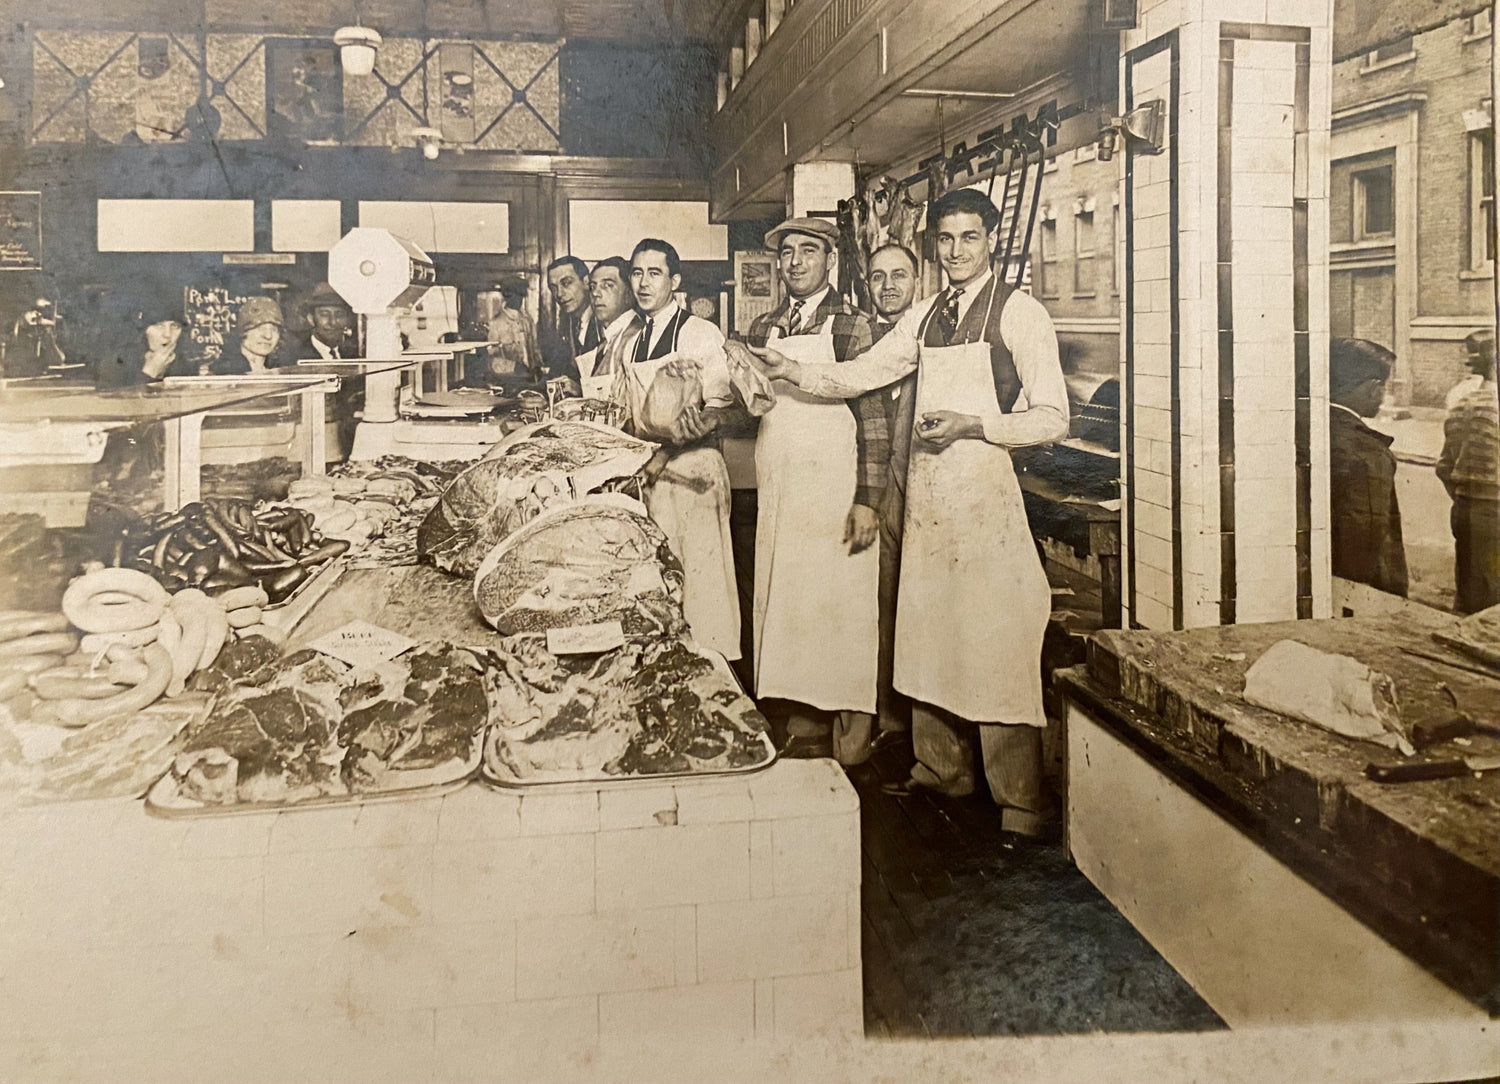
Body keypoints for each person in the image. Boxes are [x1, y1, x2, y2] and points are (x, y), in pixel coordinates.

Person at [751, 187, 1070, 839]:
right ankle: (943, 768)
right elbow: (859, 374)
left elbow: (1053, 418)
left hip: (985, 498)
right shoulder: (925, 316)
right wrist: (790, 367)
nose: (956, 251)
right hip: (929, 501)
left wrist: (975, 425)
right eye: (946, 240)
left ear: (992, 241)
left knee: (993, 643)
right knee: (929, 637)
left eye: (969, 238)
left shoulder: (1020, 313)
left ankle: (1021, 803)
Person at [741, 217, 887, 764]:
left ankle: (853, 737)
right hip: (783, 485)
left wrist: (867, 499)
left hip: (835, 487)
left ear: (832, 261)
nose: (795, 261)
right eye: (787, 254)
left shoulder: (853, 325)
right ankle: (803, 723)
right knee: (793, 605)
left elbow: (872, 415)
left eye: (809, 251)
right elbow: (750, 406)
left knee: (842, 608)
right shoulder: (765, 326)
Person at [612, 238, 741, 662]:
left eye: (655, 273)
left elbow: (719, 408)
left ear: (675, 280)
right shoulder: (633, 341)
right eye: (637, 273)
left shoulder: (700, 333)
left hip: (696, 475)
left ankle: (714, 673)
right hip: (652, 477)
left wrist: (670, 447)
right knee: (662, 582)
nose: (644, 283)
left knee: (704, 590)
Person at [867, 243, 922, 747]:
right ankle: (889, 718)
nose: (889, 286)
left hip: (922, 493)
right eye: (879, 276)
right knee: (879, 605)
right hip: (872, 492)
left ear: (917, 279)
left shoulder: (931, 340)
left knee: (919, 607)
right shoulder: (863, 339)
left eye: (899, 275)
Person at [1328, 338, 1408, 598]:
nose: (1382, 395)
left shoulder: (1312, 426)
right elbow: (1367, 542)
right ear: (1373, 387)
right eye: (1383, 386)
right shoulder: (1366, 453)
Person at [1437, 328, 1500, 613]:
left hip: (1465, 510)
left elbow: (1444, 467)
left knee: (1469, 598)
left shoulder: (1462, 404)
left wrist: (1466, 495)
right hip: (1494, 513)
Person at [93, 291, 194, 388]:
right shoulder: (118, 362)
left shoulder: (190, 363)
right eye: (159, 326)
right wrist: (149, 372)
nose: (167, 335)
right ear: (145, 330)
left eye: (175, 326)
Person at [581, 256, 641, 400]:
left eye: (607, 285)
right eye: (592, 287)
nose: (595, 293)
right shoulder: (607, 337)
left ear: (629, 293)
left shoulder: (636, 336)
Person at [539, 255, 600, 383]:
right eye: (553, 288)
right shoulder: (570, 322)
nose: (559, 294)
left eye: (566, 283)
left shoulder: (602, 322)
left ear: (586, 282)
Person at [210, 296, 286, 375]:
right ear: (242, 331)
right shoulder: (223, 373)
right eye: (259, 328)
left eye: (274, 329)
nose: (268, 336)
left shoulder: (280, 372)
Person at [485, 276, 540, 383]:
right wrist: (514, 367)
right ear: (507, 295)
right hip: (507, 380)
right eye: (517, 295)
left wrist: (538, 366)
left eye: (522, 296)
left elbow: (535, 349)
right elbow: (490, 360)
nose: (520, 300)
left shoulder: (527, 320)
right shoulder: (495, 324)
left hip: (530, 380)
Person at [287, 283, 359, 360]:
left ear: (347, 320)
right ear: (311, 319)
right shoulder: (295, 357)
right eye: (324, 314)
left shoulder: (354, 355)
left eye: (339, 315)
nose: (333, 322)